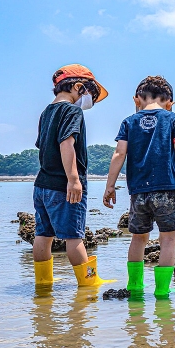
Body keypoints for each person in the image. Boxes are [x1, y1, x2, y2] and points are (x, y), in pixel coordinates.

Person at [103, 76, 175, 298]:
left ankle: (135, 287)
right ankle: (162, 291)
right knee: (168, 239)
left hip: (138, 192)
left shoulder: (129, 122)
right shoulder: (173, 119)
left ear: (136, 99)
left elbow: (119, 154)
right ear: (170, 102)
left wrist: (110, 186)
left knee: (138, 238)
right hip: (167, 188)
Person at [33, 64, 114, 288]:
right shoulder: (72, 111)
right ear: (78, 87)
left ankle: (43, 281)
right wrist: (73, 179)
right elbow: (66, 142)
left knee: (43, 233)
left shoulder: (46, 112)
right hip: (64, 185)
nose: (90, 100)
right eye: (90, 93)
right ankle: (89, 283)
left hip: (42, 184)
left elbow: (42, 146)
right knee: (74, 237)